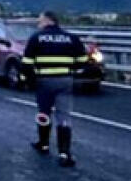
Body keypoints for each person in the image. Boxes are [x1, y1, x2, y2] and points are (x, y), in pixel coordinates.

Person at [21, 11, 89, 168]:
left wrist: (31, 82)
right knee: (64, 116)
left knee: (44, 112)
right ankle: (64, 152)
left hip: (44, 80)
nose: (38, 23)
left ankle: (43, 144)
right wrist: (70, 70)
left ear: (47, 21)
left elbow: (26, 63)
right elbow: (82, 61)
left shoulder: (36, 38)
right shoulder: (71, 38)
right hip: (65, 80)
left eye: (40, 20)